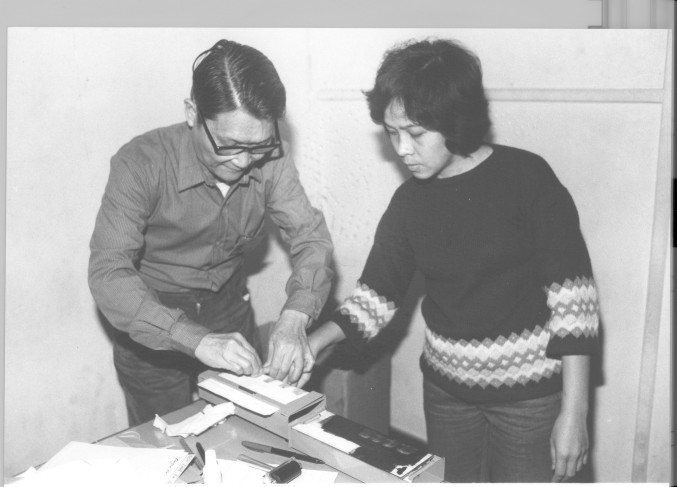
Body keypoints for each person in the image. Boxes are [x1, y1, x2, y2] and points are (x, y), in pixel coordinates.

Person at [305, 38, 599, 483]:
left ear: (455, 120)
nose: (402, 149)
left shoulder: (527, 179)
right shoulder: (408, 203)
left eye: (417, 134)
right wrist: (314, 343)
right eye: (392, 133)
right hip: (446, 395)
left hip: (529, 400)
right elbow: (375, 297)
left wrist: (575, 414)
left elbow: (575, 308)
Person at [88, 39, 333, 426]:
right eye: (229, 145)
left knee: (247, 432)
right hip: (152, 311)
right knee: (168, 447)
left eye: (257, 146)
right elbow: (109, 273)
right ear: (192, 113)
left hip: (229, 305)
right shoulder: (140, 163)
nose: (243, 161)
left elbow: (310, 239)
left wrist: (295, 317)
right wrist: (195, 338)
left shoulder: (272, 155)